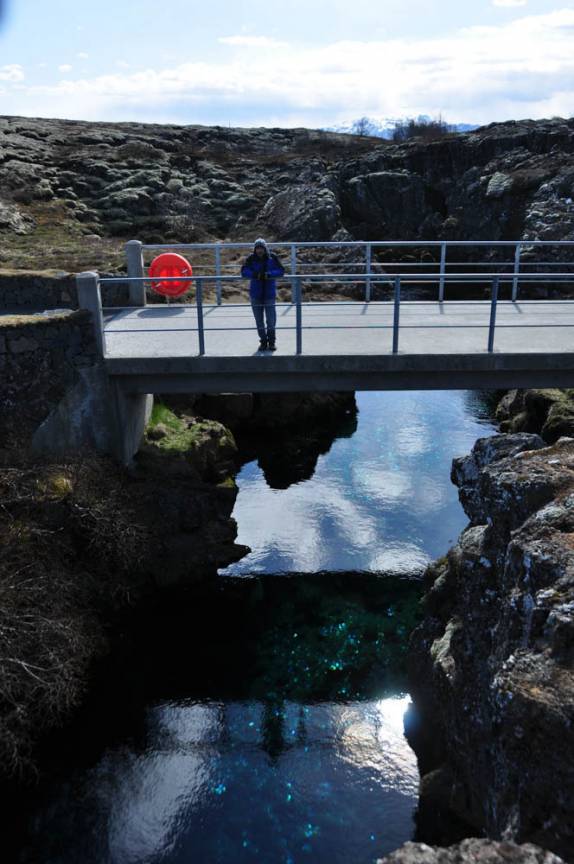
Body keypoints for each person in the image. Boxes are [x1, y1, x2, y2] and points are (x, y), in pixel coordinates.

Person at [241, 238, 285, 351]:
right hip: (256, 294)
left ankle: (272, 342)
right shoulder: (251, 259)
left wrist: (268, 274)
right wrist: (255, 274)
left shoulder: (272, 257)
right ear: (255, 249)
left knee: (271, 320)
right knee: (259, 320)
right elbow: (244, 271)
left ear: (265, 248)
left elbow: (281, 270)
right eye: (257, 248)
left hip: (269, 294)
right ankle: (263, 342)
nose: (259, 250)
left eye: (261, 248)